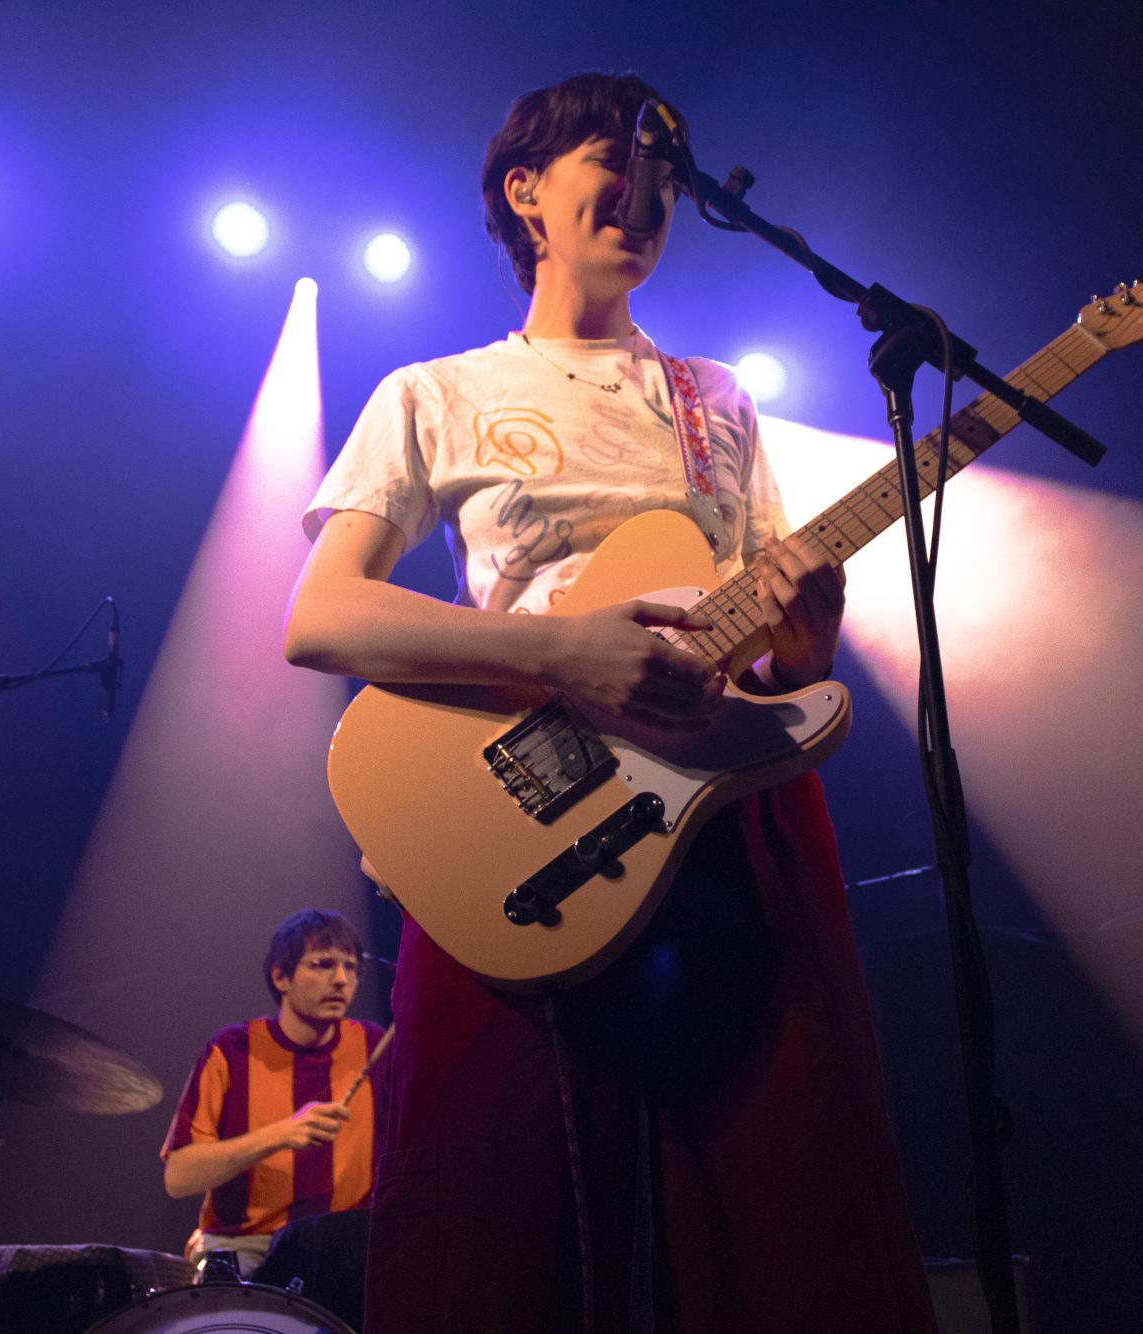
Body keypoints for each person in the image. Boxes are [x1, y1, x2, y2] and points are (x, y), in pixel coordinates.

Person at [284, 72, 937, 1334]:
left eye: (662, 181)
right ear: (526, 191)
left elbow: (769, 654)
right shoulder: (438, 392)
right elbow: (323, 616)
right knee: (497, 1205)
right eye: (610, 163)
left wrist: (804, 650)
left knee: (789, 1193)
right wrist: (561, 656)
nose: (642, 199)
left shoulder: (718, 400)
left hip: (712, 809)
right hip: (515, 806)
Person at [160, 909, 387, 1279]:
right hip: (247, 1247)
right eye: (324, 965)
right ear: (281, 976)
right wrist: (281, 1135)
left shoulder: (372, 1045)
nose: (342, 980)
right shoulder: (233, 1049)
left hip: (340, 1246)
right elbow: (179, 1177)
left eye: (351, 967)